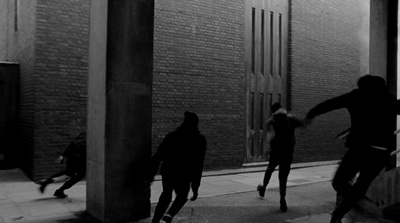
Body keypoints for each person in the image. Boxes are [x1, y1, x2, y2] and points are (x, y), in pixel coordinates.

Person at [305, 75, 400, 223]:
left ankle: (349, 205)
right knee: (362, 184)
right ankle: (344, 209)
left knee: (339, 182)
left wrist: (311, 114)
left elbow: (331, 104)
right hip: (381, 152)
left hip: (360, 149)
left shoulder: (356, 96)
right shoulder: (389, 100)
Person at [150, 111, 207, 223]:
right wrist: (195, 188)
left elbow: (158, 155)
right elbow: (198, 165)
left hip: (168, 171)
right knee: (182, 196)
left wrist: (151, 174)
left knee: (166, 194)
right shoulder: (199, 140)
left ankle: (155, 220)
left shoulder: (171, 136)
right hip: (184, 173)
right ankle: (169, 215)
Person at [257, 102, 304, 212]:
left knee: (269, 169)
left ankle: (263, 187)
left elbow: (270, 135)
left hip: (276, 152)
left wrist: (267, 148)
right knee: (283, 177)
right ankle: (282, 199)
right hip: (288, 153)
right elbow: (302, 123)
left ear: (273, 111)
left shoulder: (272, 120)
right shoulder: (291, 119)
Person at [38, 131, 86, 198]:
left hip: (72, 154)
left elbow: (73, 143)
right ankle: (60, 191)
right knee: (79, 175)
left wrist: (63, 155)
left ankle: (47, 182)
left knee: (68, 173)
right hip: (81, 156)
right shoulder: (95, 134)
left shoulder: (85, 133)